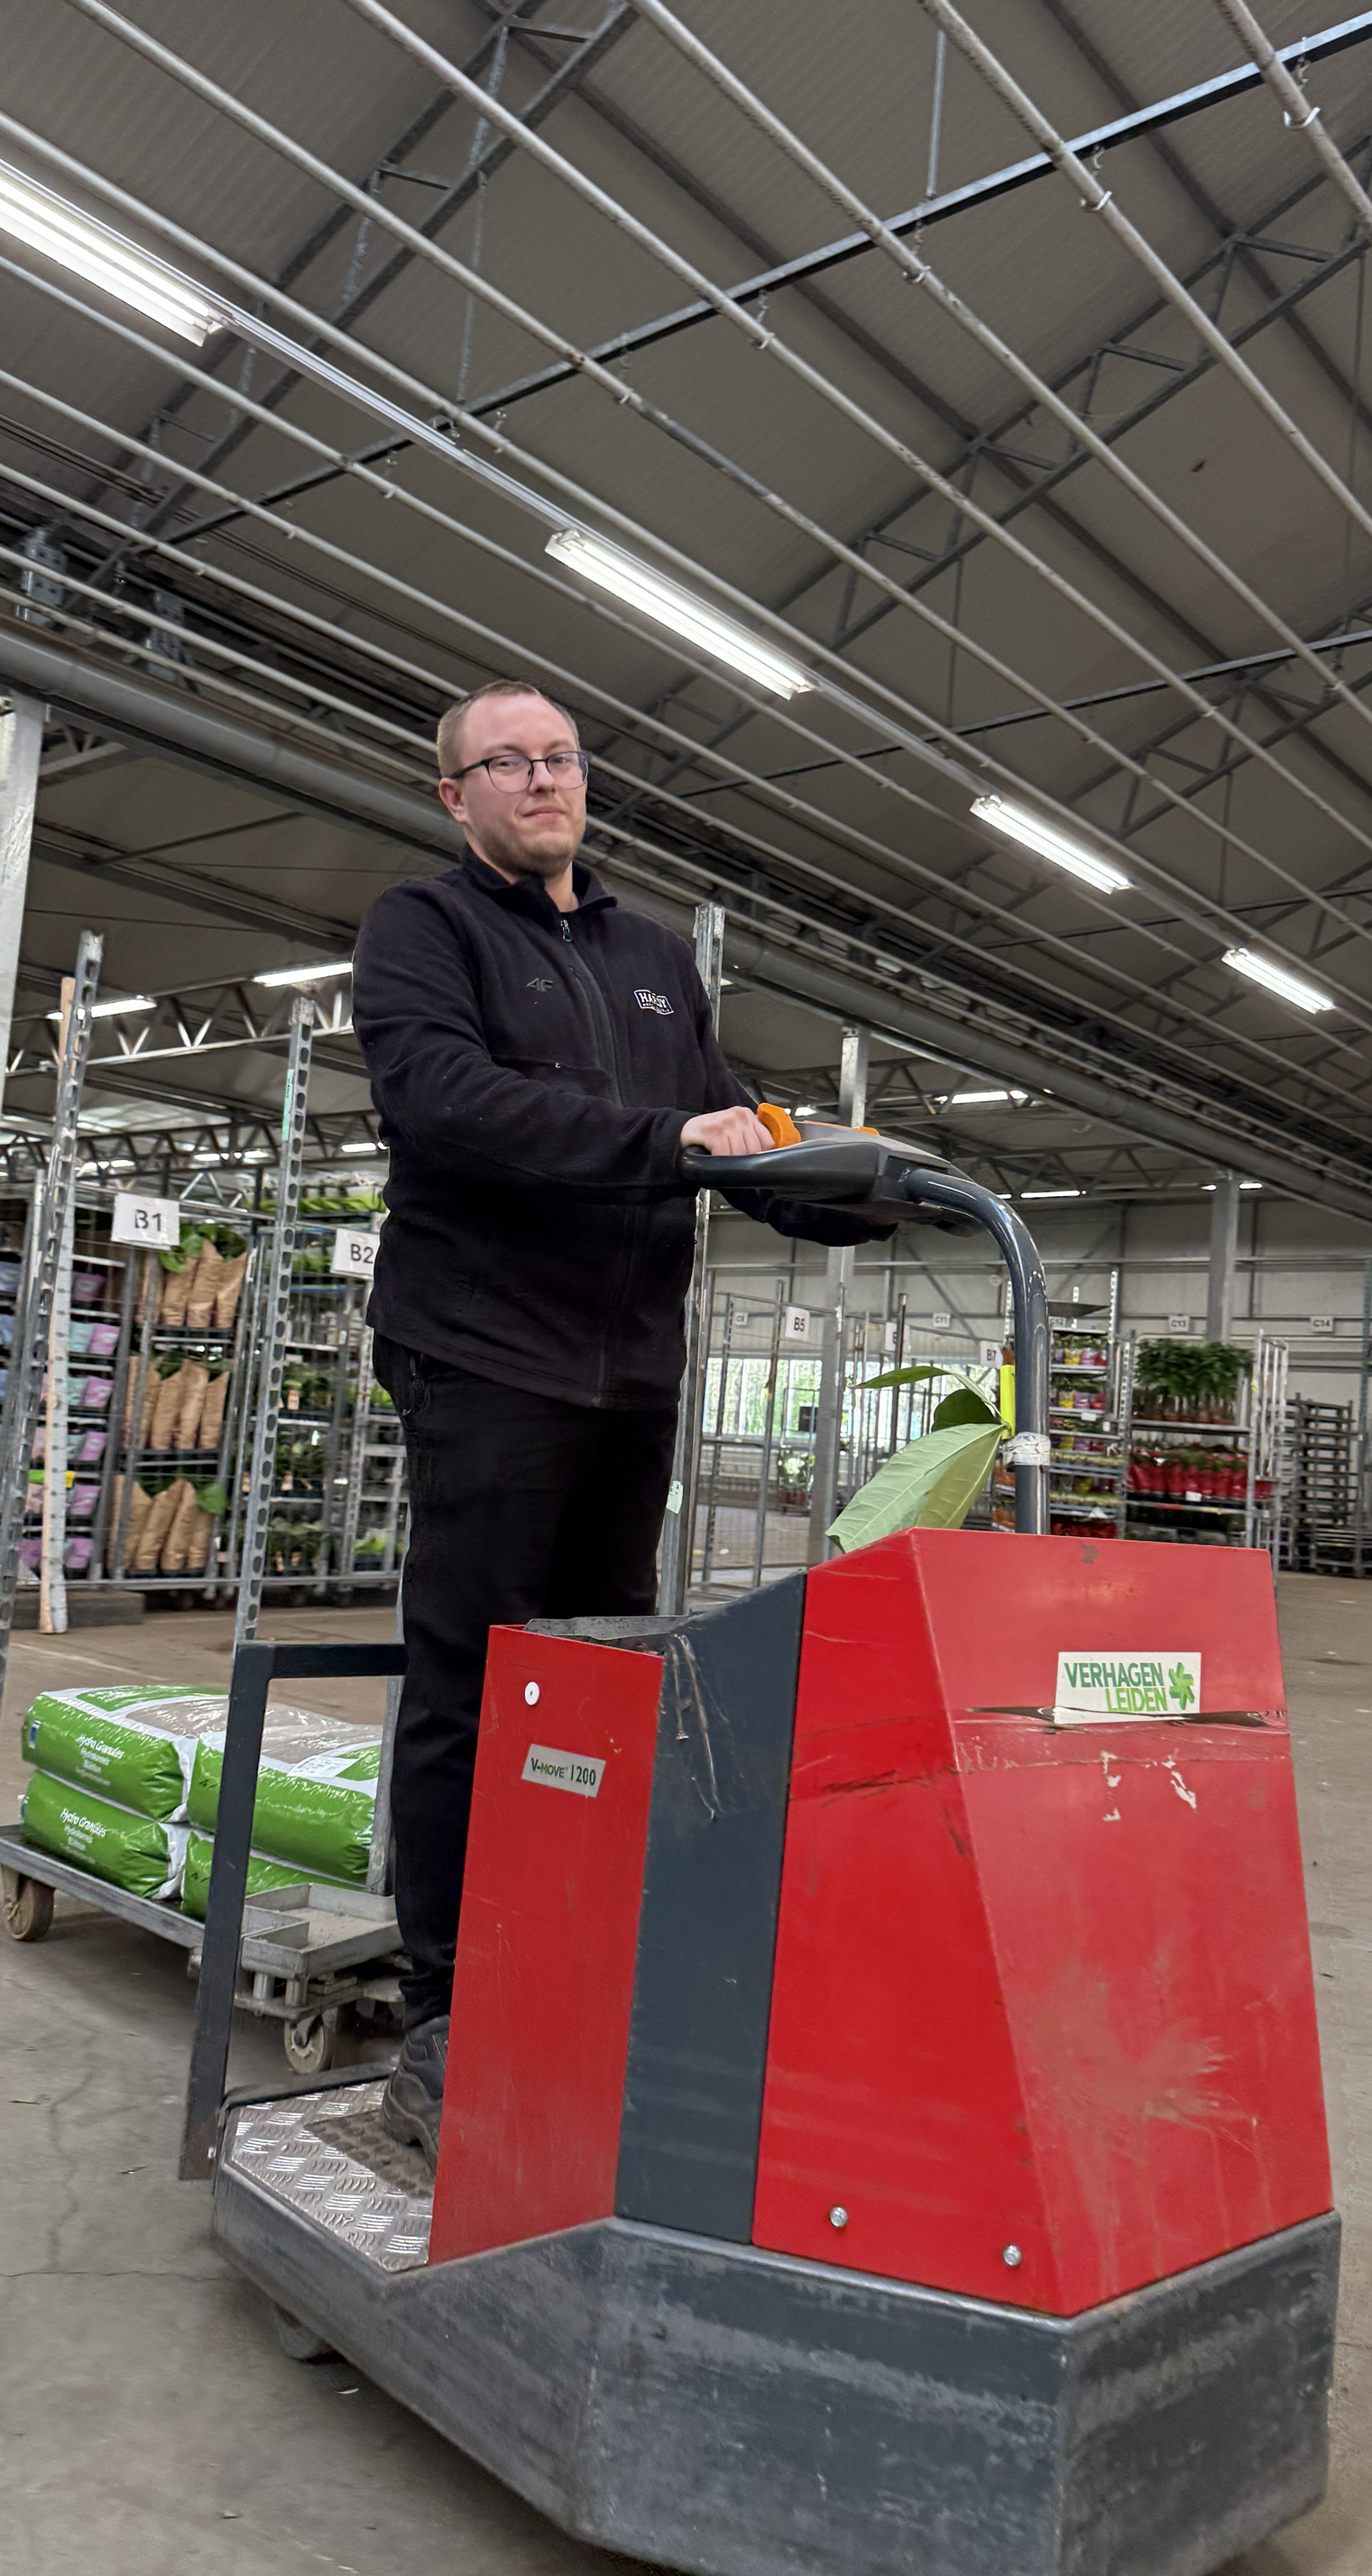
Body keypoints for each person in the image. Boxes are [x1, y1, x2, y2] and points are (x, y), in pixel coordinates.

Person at [351, 676, 886, 2161]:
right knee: (478, 1677)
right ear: (453, 796)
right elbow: (446, 1105)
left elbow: (718, 1132)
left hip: (627, 1369)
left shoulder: (655, 957)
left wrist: (840, 1188)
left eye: (562, 756)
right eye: (504, 763)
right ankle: (447, 2009)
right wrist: (668, 1141)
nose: (541, 779)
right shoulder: (425, 929)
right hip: (484, 1354)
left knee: (604, 1677)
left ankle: (578, 1966)